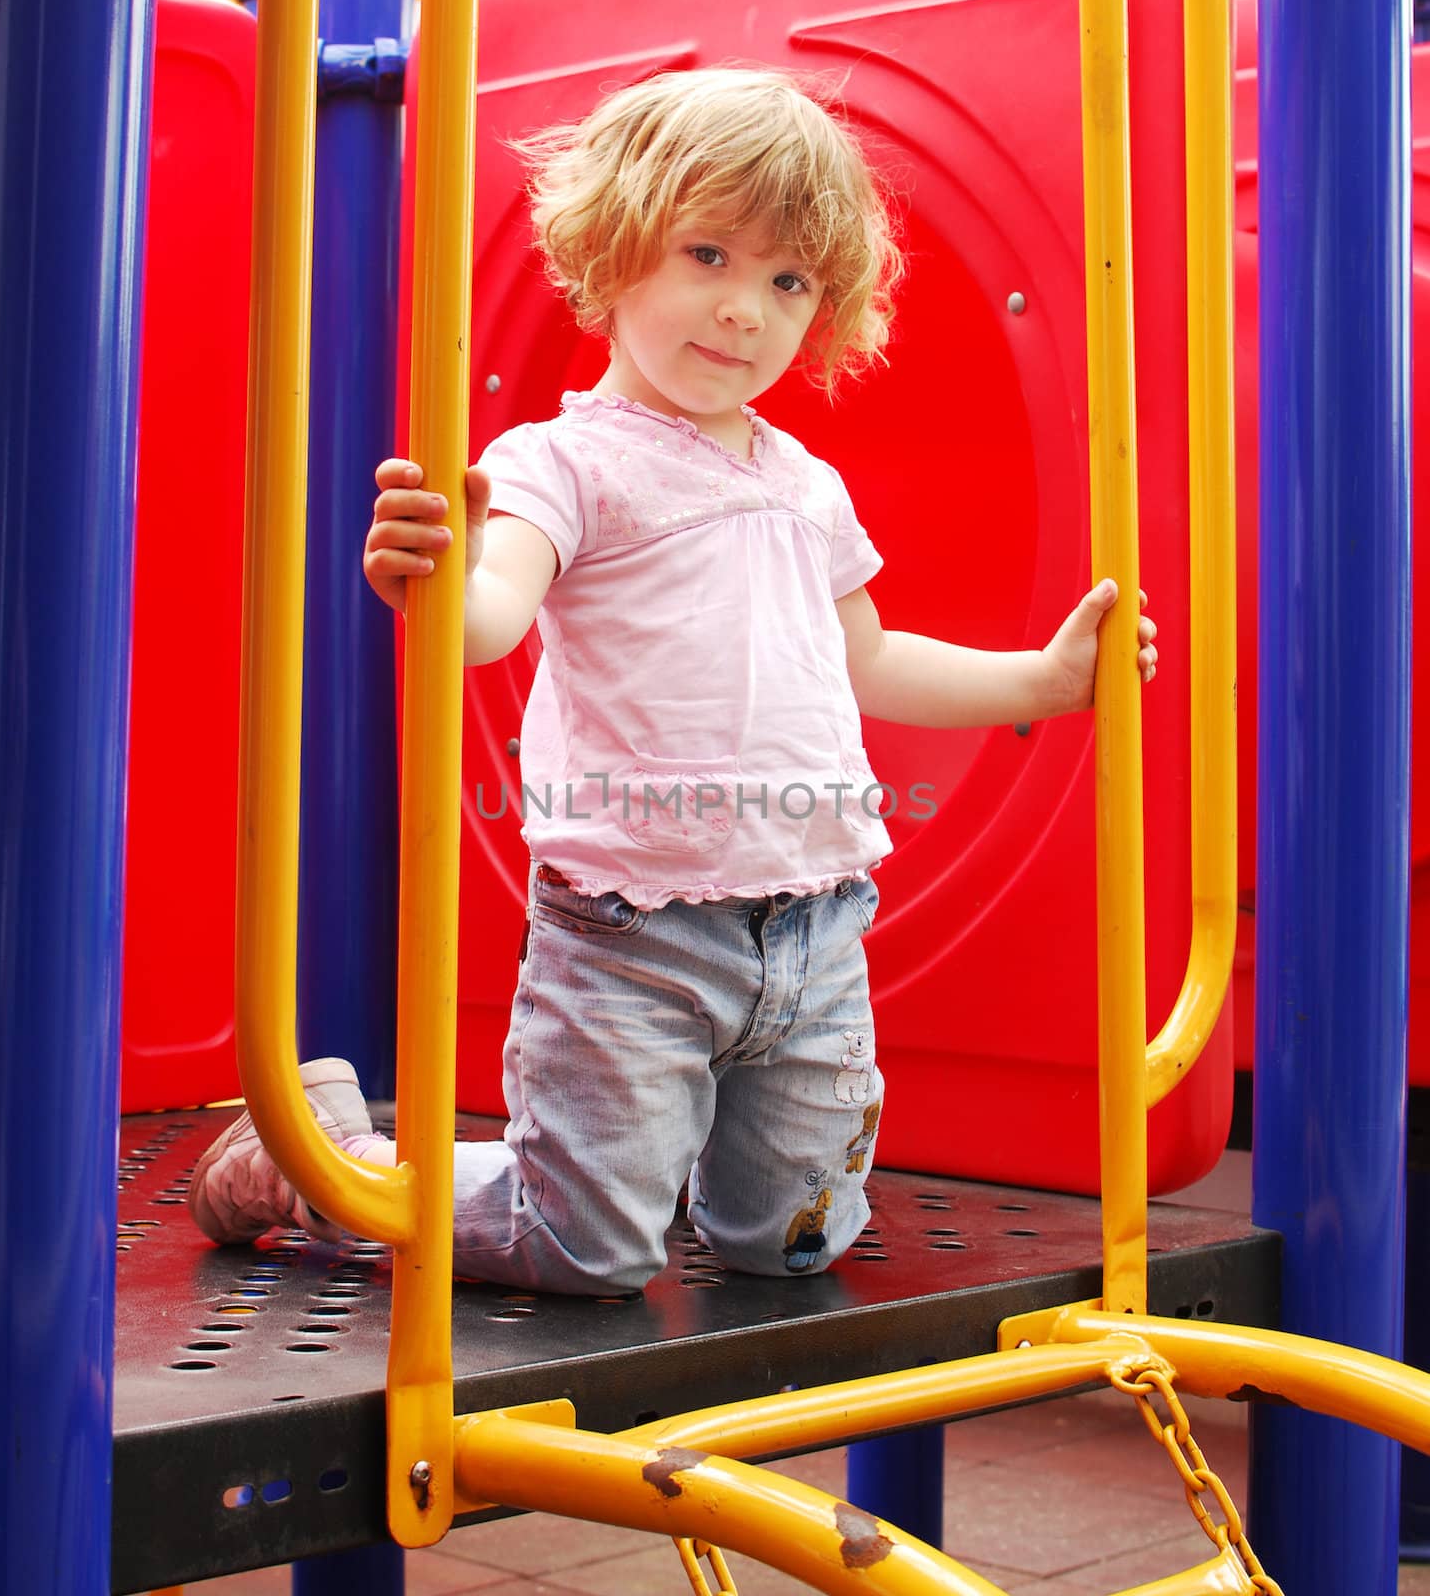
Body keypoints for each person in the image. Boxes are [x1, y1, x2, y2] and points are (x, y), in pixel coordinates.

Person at [189, 67, 1158, 1293]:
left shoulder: (805, 481)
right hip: (633, 932)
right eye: (708, 254)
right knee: (583, 1249)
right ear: (610, 251)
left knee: (791, 1244)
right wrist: (442, 586)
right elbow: (496, 614)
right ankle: (327, 1160)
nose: (745, 309)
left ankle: (658, 1155)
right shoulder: (564, 463)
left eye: (786, 280)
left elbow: (869, 658)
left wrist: (1044, 678)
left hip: (813, 926)